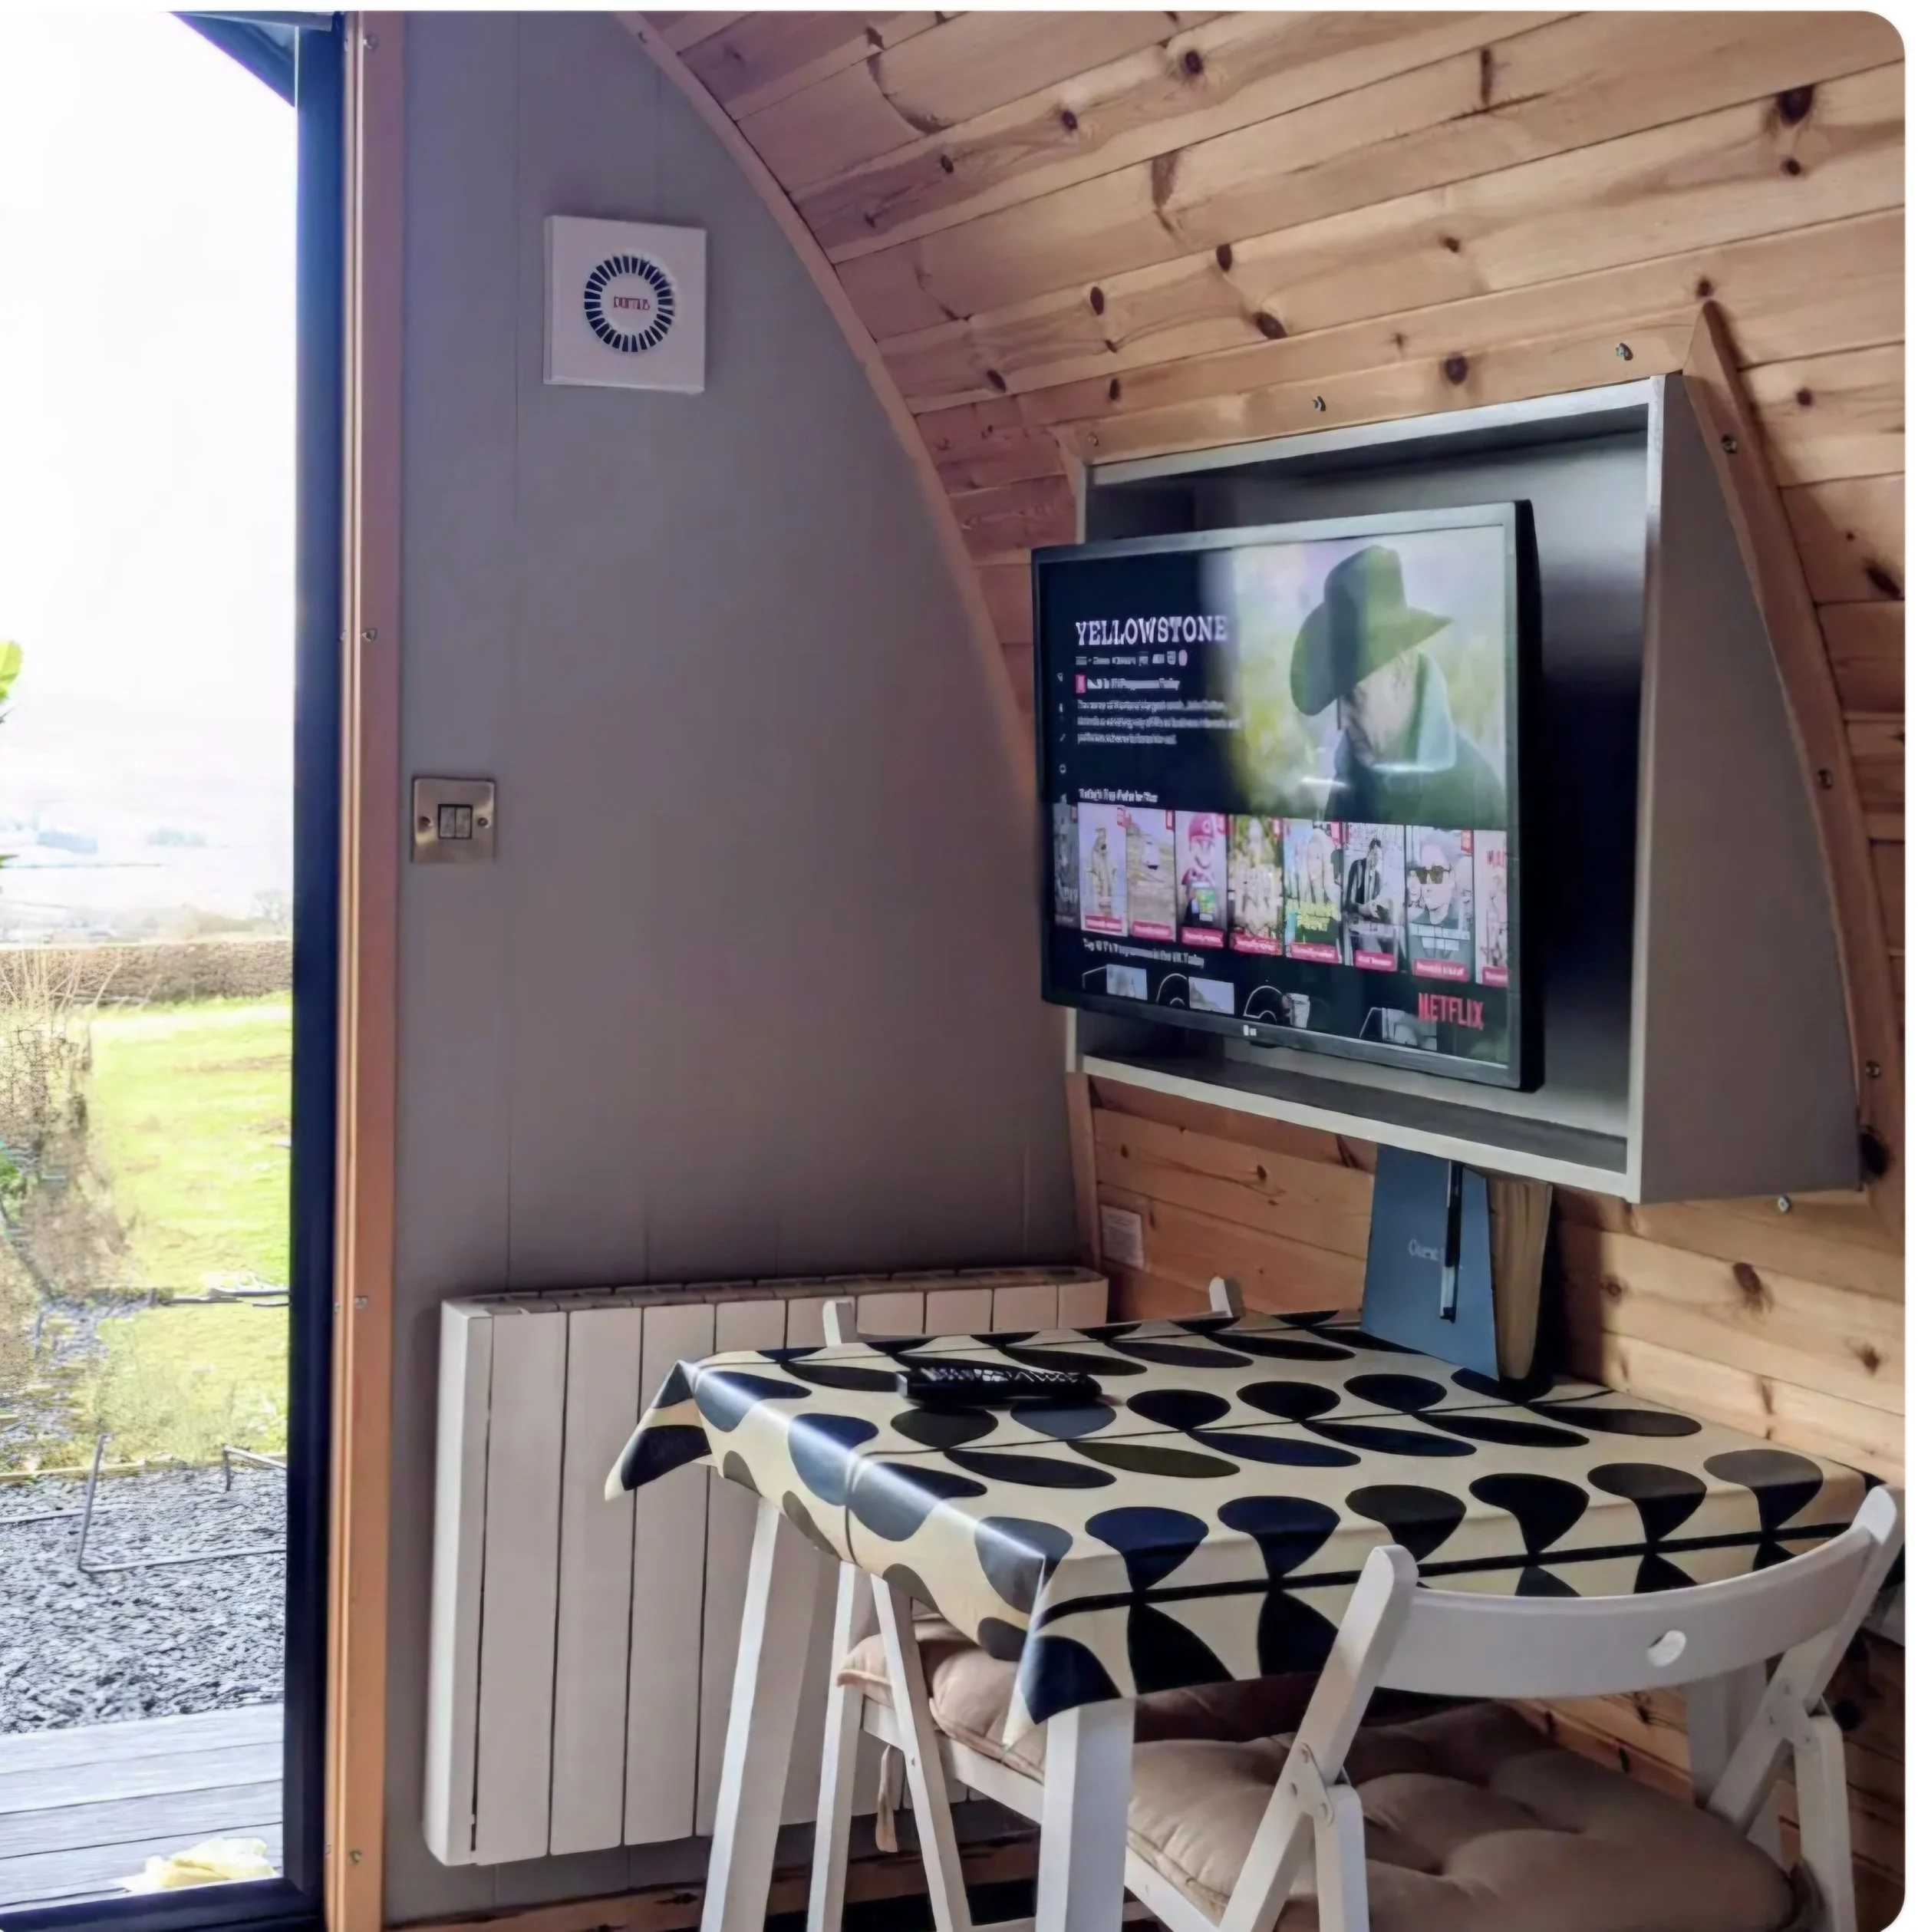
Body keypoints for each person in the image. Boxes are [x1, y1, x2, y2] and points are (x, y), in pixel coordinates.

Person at [1288, 544, 1505, 828]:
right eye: (1338, 699)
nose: (1341, 722)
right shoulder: (1350, 783)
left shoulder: (1474, 793)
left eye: (1354, 697)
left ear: (1401, 673)